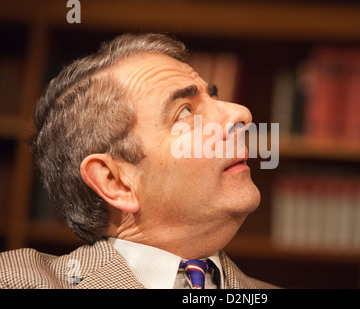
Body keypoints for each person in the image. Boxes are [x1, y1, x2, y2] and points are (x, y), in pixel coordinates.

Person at [0, 33, 276, 289]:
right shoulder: (15, 279)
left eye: (214, 96)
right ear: (115, 181)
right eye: (185, 112)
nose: (242, 114)